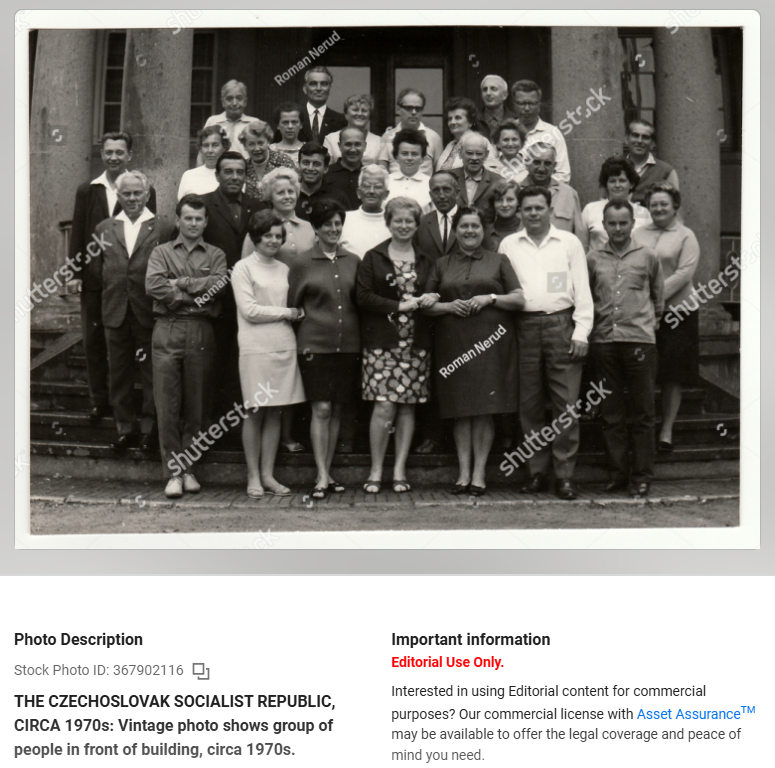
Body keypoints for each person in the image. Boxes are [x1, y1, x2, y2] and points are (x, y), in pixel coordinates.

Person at [498, 186, 593, 500]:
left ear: (549, 209)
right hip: (522, 327)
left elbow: (582, 290)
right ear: (520, 212)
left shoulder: (568, 242)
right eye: (528, 209)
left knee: (566, 405)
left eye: (539, 208)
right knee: (530, 406)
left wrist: (581, 333)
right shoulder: (509, 244)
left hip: (561, 324)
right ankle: (537, 472)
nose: (534, 213)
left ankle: (565, 476)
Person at [423, 206, 523, 495]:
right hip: (454, 345)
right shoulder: (441, 264)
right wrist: (447, 306)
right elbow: (425, 304)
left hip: (490, 344)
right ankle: (463, 473)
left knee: (483, 411)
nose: (469, 231)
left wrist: (490, 298)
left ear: (483, 230)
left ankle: (479, 474)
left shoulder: (499, 260)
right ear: (455, 231)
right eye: (464, 226)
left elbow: (518, 299)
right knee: (461, 410)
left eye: (475, 226)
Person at [66, 131, 156, 424]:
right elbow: (78, 232)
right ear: (102, 155)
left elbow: (148, 231)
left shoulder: (141, 187)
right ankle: (99, 401)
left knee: (134, 348)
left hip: (129, 284)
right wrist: (75, 272)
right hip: (94, 279)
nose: (114, 157)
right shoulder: (87, 189)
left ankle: (139, 410)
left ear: (129, 155)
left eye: (120, 152)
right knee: (93, 341)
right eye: (109, 152)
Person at [145, 194, 228, 498]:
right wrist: (191, 298)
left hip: (201, 331)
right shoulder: (161, 252)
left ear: (206, 222)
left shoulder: (216, 254)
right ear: (178, 220)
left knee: (199, 403)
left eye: (198, 218)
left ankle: (189, 468)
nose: (193, 223)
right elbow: (153, 285)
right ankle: (172, 474)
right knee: (167, 403)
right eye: (188, 218)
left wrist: (180, 283)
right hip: (166, 330)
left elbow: (219, 285)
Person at [357, 197, 439, 494]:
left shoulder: (425, 259)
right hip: (382, 342)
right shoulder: (373, 256)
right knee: (384, 407)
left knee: (407, 409)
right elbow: (363, 296)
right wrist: (399, 305)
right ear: (388, 222)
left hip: (415, 344)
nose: (404, 226)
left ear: (417, 225)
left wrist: (432, 296)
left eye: (409, 221)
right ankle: (376, 470)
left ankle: (400, 469)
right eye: (398, 220)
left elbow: (433, 288)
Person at [93, 170, 175, 454]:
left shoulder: (163, 226)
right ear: (118, 196)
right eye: (126, 194)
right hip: (115, 310)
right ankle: (124, 429)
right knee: (119, 374)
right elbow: (97, 270)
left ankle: (150, 431)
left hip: (148, 310)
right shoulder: (104, 228)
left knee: (152, 373)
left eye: (137, 193)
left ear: (147, 195)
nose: (131, 198)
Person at [587, 200, 664, 497]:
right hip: (604, 342)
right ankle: (618, 474)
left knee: (643, 412)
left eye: (623, 223)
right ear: (604, 225)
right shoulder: (592, 258)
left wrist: (650, 324)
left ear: (633, 223)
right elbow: (589, 297)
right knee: (611, 413)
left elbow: (658, 297)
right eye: (612, 223)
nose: (617, 228)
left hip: (639, 343)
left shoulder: (648, 256)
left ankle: (642, 476)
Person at [288, 201, 361, 498]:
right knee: (321, 408)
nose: (333, 229)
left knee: (337, 409)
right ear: (316, 228)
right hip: (314, 346)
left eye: (337, 224)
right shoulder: (302, 262)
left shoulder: (354, 260)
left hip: (348, 346)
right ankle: (320, 475)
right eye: (327, 224)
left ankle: (327, 472)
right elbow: (293, 305)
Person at [232, 210, 306, 497]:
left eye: (278, 236)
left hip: (284, 344)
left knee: (275, 411)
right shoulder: (242, 268)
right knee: (254, 411)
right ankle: (253, 476)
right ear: (255, 237)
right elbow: (249, 310)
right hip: (254, 347)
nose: (274, 241)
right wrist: (287, 313)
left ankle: (268, 475)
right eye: (268, 236)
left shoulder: (284, 269)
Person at [633, 182, 699, 453]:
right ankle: (644, 426)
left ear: (675, 207)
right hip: (642, 312)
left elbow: (684, 274)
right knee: (643, 371)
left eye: (664, 204)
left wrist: (655, 300)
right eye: (654, 204)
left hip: (678, 313)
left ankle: (667, 430)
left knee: (672, 372)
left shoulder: (686, 236)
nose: (658, 208)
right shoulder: (637, 233)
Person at [201, 152, 264, 417]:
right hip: (217, 299)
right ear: (217, 175)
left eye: (240, 171)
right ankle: (213, 425)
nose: (235, 177)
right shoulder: (203, 205)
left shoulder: (258, 206)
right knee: (214, 365)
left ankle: (240, 426)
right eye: (228, 171)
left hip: (250, 298)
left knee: (246, 365)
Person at [240, 167, 316, 265]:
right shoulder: (259, 226)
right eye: (280, 193)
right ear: (270, 197)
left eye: (291, 191)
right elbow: (245, 265)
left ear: (297, 194)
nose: (287, 197)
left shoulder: (308, 227)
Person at [581, 156, 652, 252]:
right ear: (606, 184)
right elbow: (582, 247)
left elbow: (649, 247)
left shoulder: (643, 213)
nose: (617, 185)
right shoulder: (590, 210)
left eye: (622, 180)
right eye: (612, 181)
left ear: (631, 184)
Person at [512, 79, 571, 184]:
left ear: (539, 104)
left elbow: (563, 175)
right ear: (514, 104)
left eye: (531, 103)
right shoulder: (504, 132)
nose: (526, 108)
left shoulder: (553, 134)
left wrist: (538, 191)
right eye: (521, 103)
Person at [521, 143, 584, 240]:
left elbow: (580, 237)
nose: (541, 168)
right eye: (536, 162)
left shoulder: (569, 194)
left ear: (554, 166)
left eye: (547, 163)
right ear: (527, 164)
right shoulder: (515, 193)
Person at [377, 88, 444, 176]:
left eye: (418, 108)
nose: (413, 112)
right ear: (398, 110)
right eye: (409, 108)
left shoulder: (434, 137)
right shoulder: (387, 137)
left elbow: (439, 172)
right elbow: (382, 171)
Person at [340, 164, 391, 258]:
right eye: (366, 186)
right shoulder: (343, 219)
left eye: (378, 187)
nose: (371, 191)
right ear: (358, 193)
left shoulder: (393, 222)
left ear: (386, 194)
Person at [200, 80, 258, 163]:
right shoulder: (213, 121)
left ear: (245, 102)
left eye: (239, 98)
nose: (234, 103)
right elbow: (201, 153)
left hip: (246, 172)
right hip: (217, 172)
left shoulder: (254, 123)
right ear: (223, 102)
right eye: (229, 99)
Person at [625, 118, 680, 205]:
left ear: (652, 144)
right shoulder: (614, 167)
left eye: (645, 137)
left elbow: (675, 206)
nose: (639, 141)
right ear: (627, 139)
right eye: (635, 135)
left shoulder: (666, 171)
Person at [239, 120, 297, 199]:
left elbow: (294, 190)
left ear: (268, 142)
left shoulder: (283, 161)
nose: (256, 149)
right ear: (245, 146)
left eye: (260, 143)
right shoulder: (243, 167)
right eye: (251, 144)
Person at [437, 97, 497, 171]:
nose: (452, 122)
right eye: (450, 119)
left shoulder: (481, 142)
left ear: (470, 122)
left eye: (458, 118)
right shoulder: (451, 145)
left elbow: (491, 174)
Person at [295, 142, 350, 221]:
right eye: (305, 163)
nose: (310, 168)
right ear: (299, 165)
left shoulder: (338, 198)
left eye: (316, 164)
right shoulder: (289, 195)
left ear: (326, 168)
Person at [324, 93, 382, 166]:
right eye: (355, 110)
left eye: (364, 110)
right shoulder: (330, 139)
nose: (360, 114)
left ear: (370, 116)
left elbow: (383, 172)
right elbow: (327, 171)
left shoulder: (379, 141)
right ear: (346, 114)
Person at [294, 66, 348, 144]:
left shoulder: (341, 120)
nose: (319, 88)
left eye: (324, 84)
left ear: (330, 89)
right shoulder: (293, 117)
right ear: (305, 89)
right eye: (313, 84)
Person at [385, 129, 433, 214]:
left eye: (414, 154)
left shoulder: (430, 184)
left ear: (422, 158)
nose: (409, 158)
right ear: (396, 156)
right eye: (404, 153)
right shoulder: (385, 182)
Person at [450, 132, 502, 209]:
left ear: (486, 155)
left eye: (479, 153)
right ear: (460, 153)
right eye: (469, 153)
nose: (474, 158)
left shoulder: (498, 181)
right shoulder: (449, 178)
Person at [416, 171, 459, 262]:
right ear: (430, 195)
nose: (442, 196)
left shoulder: (473, 221)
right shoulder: (420, 224)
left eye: (446, 189)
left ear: (457, 193)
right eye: (436, 191)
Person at [178, 125, 229, 199]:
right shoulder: (188, 175)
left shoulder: (231, 174)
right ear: (200, 149)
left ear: (224, 147)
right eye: (205, 145)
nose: (210, 150)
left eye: (215, 145)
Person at [324, 126, 367, 211]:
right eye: (348, 144)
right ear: (339, 146)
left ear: (365, 146)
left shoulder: (369, 175)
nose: (353, 149)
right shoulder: (325, 174)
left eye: (357, 144)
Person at [485, 119, 529, 185]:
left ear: (521, 143)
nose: (510, 144)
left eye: (514, 139)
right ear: (497, 143)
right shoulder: (488, 168)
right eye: (506, 140)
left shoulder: (529, 167)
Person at [483, 179, 521, 252]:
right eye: (499, 200)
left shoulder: (527, 230)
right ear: (493, 203)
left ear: (518, 202)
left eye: (510, 200)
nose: (504, 205)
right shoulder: (485, 232)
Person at [479, 75, 519, 139]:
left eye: (493, 89)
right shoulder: (474, 120)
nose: (488, 93)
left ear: (504, 95)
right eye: (485, 90)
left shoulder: (516, 120)